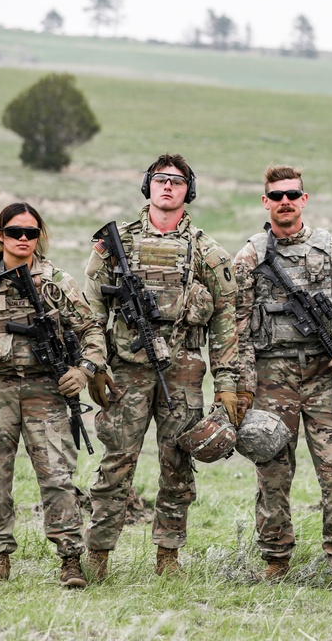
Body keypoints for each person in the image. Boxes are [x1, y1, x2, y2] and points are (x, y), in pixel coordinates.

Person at [83, 153, 239, 579]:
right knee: (116, 464)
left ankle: (168, 555)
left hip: (183, 371)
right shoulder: (117, 244)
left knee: (177, 465)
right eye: (159, 180)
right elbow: (91, 309)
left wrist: (227, 383)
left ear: (189, 190)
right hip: (127, 369)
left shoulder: (207, 251)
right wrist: (94, 364)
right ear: (147, 186)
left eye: (177, 181)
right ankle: (97, 555)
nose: (167, 187)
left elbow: (226, 319)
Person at [0, 202, 106, 588]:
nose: (24, 239)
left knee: (58, 477)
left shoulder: (56, 282)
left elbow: (93, 332)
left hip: (46, 390)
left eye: (32, 232)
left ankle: (70, 561)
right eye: (16, 232)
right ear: (1, 236)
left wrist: (83, 371)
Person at [233, 165, 332, 589]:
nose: (284, 201)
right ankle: (275, 558)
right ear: (265, 202)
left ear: (304, 199)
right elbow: (233, 324)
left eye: (292, 194)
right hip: (272, 379)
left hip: (325, 377)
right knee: (272, 470)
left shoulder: (331, 252)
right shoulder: (251, 256)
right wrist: (241, 384)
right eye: (276, 195)